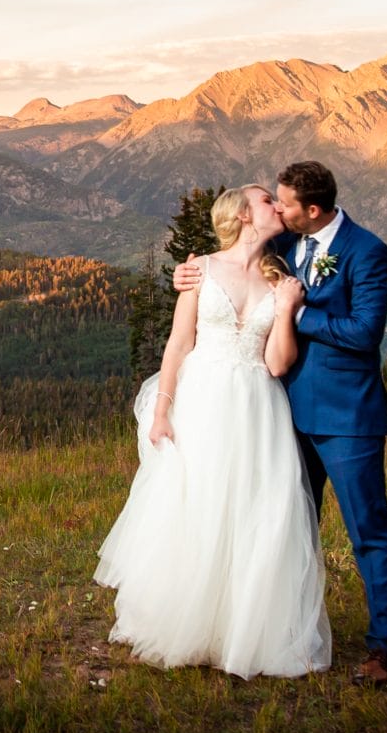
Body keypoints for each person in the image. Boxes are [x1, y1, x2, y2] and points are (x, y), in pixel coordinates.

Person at [173, 161, 387, 685]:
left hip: (346, 417)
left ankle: (384, 647)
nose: (277, 209)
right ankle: (281, 631)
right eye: (272, 203)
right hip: (279, 416)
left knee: (368, 530)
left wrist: (297, 314)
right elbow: (231, 271)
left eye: (285, 204)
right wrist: (182, 275)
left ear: (311, 210)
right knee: (283, 529)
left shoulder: (367, 251)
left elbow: (366, 331)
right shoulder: (287, 250)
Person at [93, 185, 332, 679]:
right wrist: (162, 410)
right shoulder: (201, 270)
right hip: (203, 399)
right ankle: (188, 620)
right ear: (244, 213)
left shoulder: (279, 278)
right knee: (197, 502)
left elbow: (275, 363)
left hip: (256, 404)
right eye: (267, 200)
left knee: (255, 509)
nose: (276, 206)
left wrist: (286, 309)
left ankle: (243, 630)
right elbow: (179, 344)